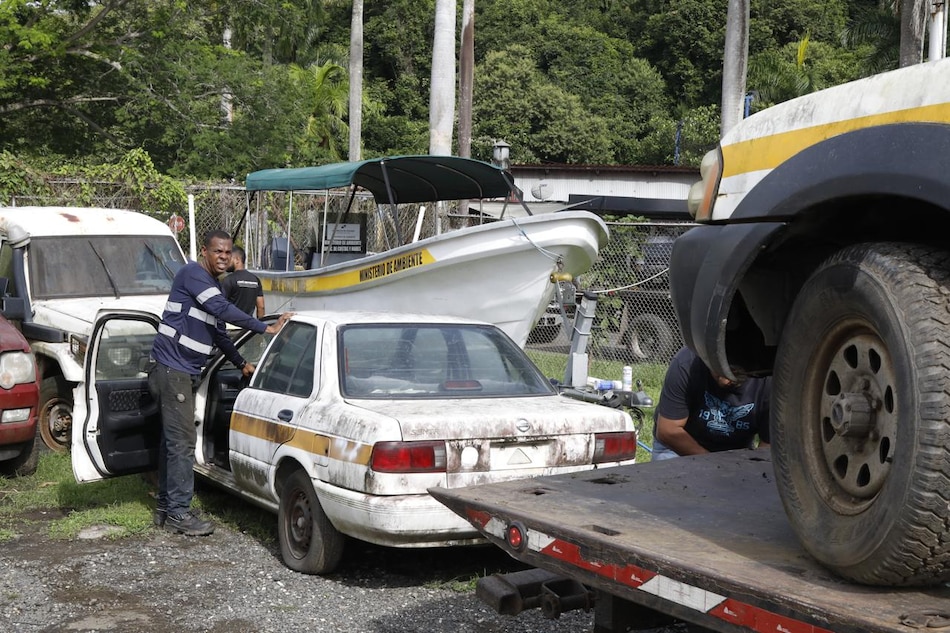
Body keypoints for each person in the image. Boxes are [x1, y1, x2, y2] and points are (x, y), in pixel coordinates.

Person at [148, 230, 292, 536]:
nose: (223, 257)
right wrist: (263, 328)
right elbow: (222, 310)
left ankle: (166, 508)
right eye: (218, 252)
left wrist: (241, 364)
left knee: (172, 442)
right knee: (183, 443)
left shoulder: (212, 284)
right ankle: (178, 514)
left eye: (227, 252)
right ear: (205, 252)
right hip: (172, 369)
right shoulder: (193, 275)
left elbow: (218, 334)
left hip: (184, 370)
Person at [651, 346, 770, 461]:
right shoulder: (687, 363)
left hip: (737, 453)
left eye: (734, 374)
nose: (724, 381)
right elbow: (668, 431)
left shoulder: (769, 381)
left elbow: (768, 446)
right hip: (678, 447)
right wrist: (712, 464)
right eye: (719, 372)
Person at [221, 245, 265, 319]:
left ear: (237, 259)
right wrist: (259, 326)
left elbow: (220, 305)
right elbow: (261, 307)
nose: (226, 262)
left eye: (229, 259)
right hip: (248, 327)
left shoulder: (229, 280)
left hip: (231, 326)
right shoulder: (255, 280)